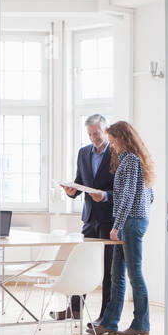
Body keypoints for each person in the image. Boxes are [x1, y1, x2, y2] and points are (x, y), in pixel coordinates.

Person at [93, 121, 155, 335]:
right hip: (135, 220)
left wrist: (117, 225)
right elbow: (151, 196)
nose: (112, 145)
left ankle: (141, 323)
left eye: (113, 140)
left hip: (130, 223)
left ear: (123, 138)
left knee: (133, 274)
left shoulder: (129, 160)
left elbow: (127, 195)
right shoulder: (138, 160)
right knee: (117, 273)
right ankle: (110, 322)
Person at [53, 114, 113, 321]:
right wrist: (71, 191)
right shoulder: (83, 153)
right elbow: (80, 182)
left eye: (97, 133)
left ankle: (105, 316)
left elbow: (121, 190)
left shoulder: (117, 153)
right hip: (89, 219)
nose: (93, 138)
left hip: (109, 219)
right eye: (90, 134)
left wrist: (105, 196)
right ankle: (75, 310)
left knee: (107, 270)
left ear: (106, 130)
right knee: (81, 263)